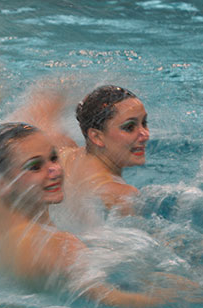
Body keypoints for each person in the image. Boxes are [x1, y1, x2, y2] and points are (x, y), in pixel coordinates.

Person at [0, 122, 184, 308]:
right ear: (3, 184)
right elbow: (112, 302)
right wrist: (181, 300)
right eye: (35, 166)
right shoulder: (58, 246)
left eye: (53, 158)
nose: (54, 170)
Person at [58, 85, 149, 215]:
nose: (145, 134)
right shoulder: (121, 196)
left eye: (144, 123)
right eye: (129, 127)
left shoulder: (61, 153)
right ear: (97, 137)